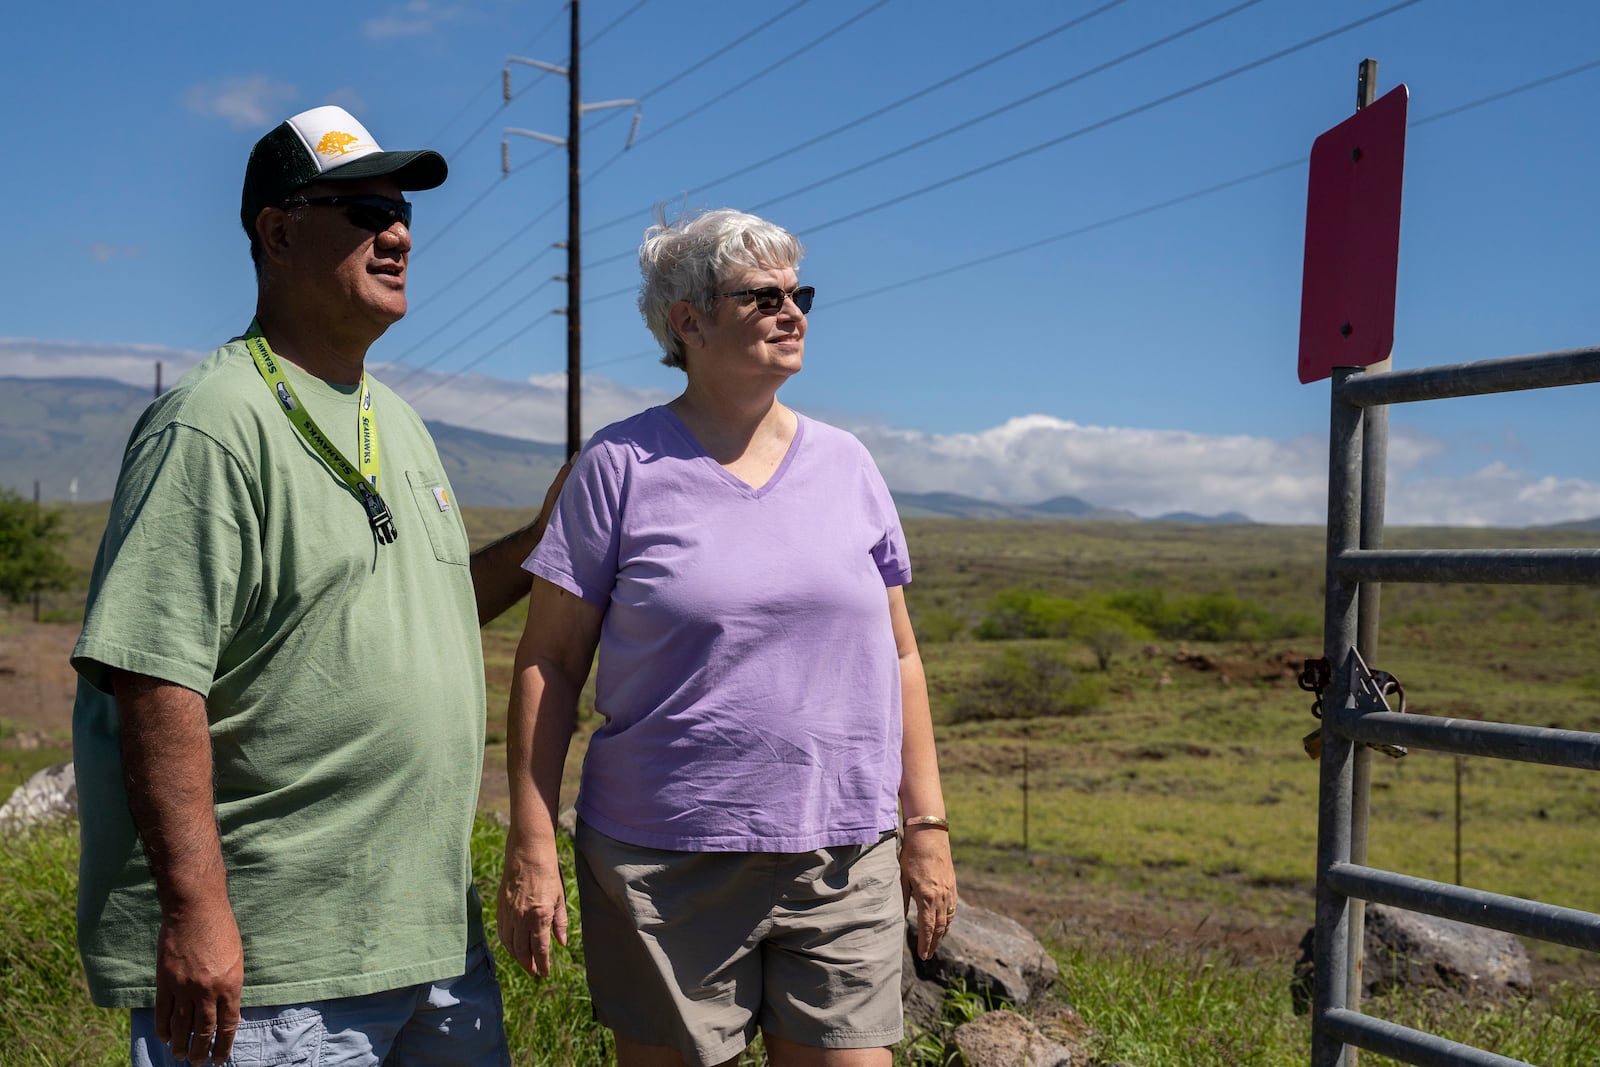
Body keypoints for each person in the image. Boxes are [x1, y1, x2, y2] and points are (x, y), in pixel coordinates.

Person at [71, 104, 565, 1067]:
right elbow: (156, 677)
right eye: (363, 209)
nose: (397, 232)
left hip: (428, 944)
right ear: (278, 229)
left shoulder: (401, 423)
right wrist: (199, 915)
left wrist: (547, 541)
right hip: (275, 971)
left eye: (404, 212)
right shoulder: (211, 424)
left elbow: (426, 611)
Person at [496, 208, 957, 1067]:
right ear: (689, 321)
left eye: (799, 292)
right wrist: (531, 837)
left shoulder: (850, 464)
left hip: (841, 855)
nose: (793, 312)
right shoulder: (620, 467)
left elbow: (900, 654)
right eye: (762, 296)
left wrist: (924, 824)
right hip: (663, 862)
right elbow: (549, 662)